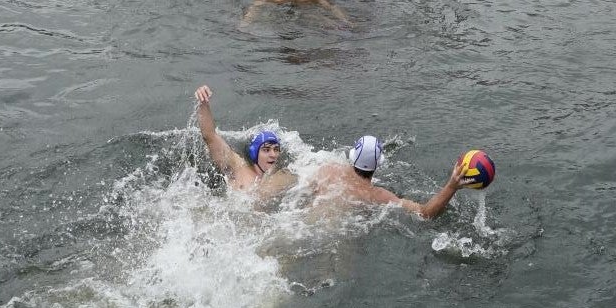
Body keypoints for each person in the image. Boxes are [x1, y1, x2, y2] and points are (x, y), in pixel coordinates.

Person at [310, 135, 470, 219]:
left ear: (352, 156)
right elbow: (425, 213)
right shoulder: (378, 196)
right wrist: (452, 186)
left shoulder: (327, 169)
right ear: (378, 165)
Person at [193, 83, 295, 195]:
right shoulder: (239, 168)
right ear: (254, 153)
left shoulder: (282, 177)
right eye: (266, 150)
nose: (273, 154)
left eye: (276, 149)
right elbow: (209, 136)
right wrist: (204, 103)